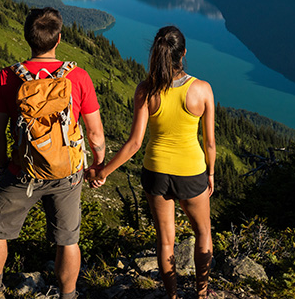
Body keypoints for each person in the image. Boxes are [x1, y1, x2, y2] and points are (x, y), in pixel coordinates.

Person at [0, 7, 106, 299]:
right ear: (58, 38)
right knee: (68, 240)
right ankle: (68, 295)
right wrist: (96, 167)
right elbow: (96, 136)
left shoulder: (7, 78)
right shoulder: (79, 77)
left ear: (27, 38)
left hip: (22, 171)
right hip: (68, 173)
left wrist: (5, 167)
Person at [89, 25, 216, 299]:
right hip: (191, 172)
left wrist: (104, 172)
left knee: (165, 240)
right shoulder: (202, 90)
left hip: (156, 172)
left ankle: (172, 297)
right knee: (203, 232)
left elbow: (135, 143)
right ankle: (202, 294)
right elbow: (209, 143)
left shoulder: (146, 90)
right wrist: (211, 174)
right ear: (183, 53)